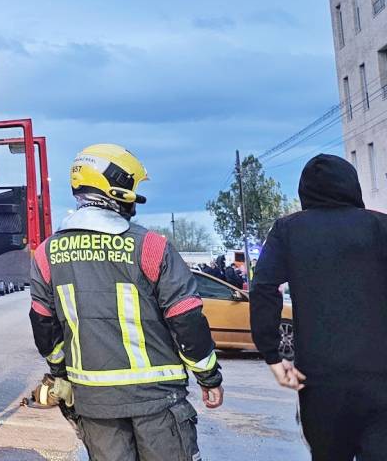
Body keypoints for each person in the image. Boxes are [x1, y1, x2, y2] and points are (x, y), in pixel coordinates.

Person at [29, 144, 223, 460]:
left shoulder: (46, 255)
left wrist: (61, 374)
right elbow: (186, 319)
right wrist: (209, 377)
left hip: (94, 405)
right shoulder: (150, 247)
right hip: (157, 401)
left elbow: (45, 329)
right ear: (117, 187)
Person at [250, 153, 387, 459]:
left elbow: (263, 288)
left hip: (321, 380)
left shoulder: (287, 230)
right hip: (381, 377)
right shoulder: (380, 226)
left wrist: (272, 354)